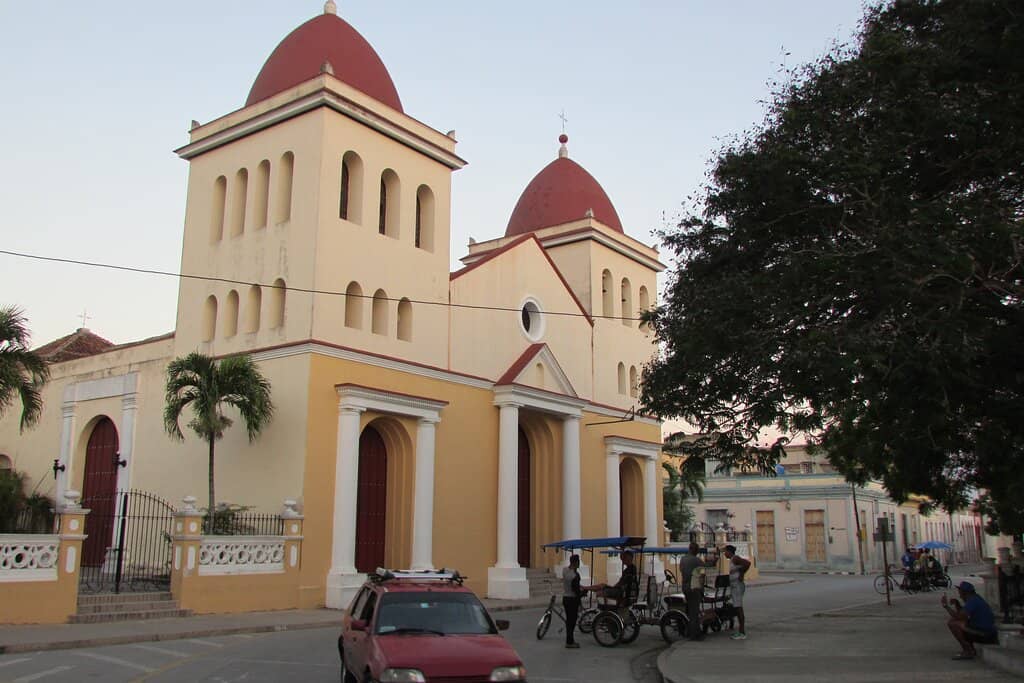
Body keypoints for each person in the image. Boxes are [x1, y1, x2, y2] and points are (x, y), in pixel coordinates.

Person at [941, 581, 997, 660]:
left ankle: (968, 651)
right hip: (985, 631)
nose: (959, 595)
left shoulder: (973, 601)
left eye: (960, 592)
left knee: (953, 624)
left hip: (985, 633)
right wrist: (957, 604)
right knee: (957, 622)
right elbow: (963, 614)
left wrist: (946, 606)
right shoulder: (975, 599)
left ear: (965, 593)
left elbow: (959, 616)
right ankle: (969, 649)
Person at [677, 542, 707, 640]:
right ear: (696, 551)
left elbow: (681, 570)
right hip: (695, 588)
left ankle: (692, 630)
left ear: (689, 549)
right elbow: (702, 575)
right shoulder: (698, 561)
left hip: (685, 587)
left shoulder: (683, 559)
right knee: (694, 611)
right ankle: (694, 634)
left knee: (691, 610)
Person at [723, 545, 751, 640]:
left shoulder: (735, 558)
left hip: (737, 586)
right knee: (737, 607)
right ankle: (741, 631)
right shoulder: (732, 560)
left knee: (739, 608)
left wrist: (742, 573)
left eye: (725, 551)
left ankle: (742, 632)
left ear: (729, 551)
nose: (724, 554)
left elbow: (747, 563)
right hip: (735, 586)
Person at [561, 554, 586, 649]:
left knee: (568, 620)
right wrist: (583, 593)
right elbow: (576, 591)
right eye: (578, 561)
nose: (579, 563)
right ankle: (570, 641)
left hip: (565, 597)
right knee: (572, 621)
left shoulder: (565, 571)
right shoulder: (575, 575)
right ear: (575, 562)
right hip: (572, 599)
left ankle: (569, 640)